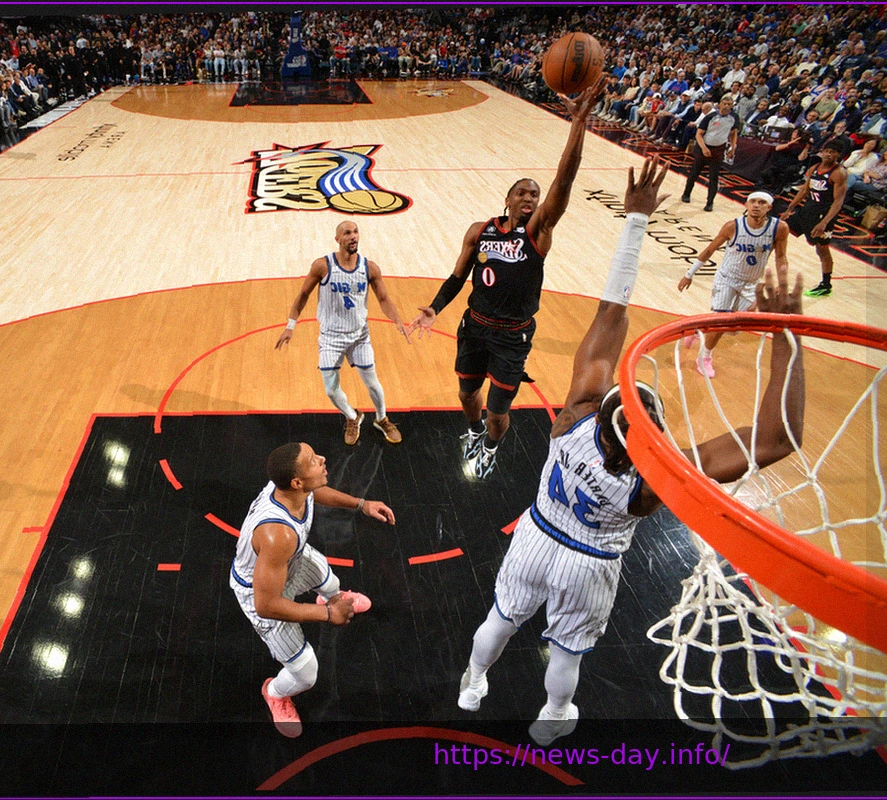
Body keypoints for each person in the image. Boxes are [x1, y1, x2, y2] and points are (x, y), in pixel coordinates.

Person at [456, 157, 805, 748]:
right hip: (592, 560)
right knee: (566, 653)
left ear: (606, 408)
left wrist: (637, 219)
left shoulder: (575, 415)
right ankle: (552, 717)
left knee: (500, 620)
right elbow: (778, 438)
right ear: (654, 432)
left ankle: (472, 685)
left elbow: (611, 311)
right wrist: (786, 333)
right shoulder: (660, 470)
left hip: (538, 533)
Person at [408, 77, 608, 479]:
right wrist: (434, 307)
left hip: (512, 337)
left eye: (535, 194)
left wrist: (578, 125)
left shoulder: (538, 232)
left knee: (499, 414)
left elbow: (564, 181)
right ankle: (473, 431)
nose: (530, 197)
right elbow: (457, 277)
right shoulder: (479, 230)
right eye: (522, 193)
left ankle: (491, 445)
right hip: (474, 327)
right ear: (508, 199)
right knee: (467, 395)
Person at [232, 442, 396, 737]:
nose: (322, 458)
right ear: (296, 482)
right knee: (306, 673)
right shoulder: (277, 534)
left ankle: (332, 598)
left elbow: (315, 492)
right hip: (260, 592)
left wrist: (362, 504)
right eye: (312, 461)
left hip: (289, 560)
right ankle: (275, 693)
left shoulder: (291, 488)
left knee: (331, 582)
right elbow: (266, 605)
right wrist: (328, 614)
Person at [276, 221, 410, 445]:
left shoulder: (370, 268)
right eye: (347, 233)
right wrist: (290, 325)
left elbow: (384, 299)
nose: (353, 236)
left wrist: (397, 320)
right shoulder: (322, 266)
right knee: (331, 390)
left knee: (372, 383)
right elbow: (303, 295)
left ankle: (381, 419)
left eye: (356, 231)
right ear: (337, 239)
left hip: (359, 336)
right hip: (331, 337)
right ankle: (352, 416)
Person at [677, 190, 790, 377]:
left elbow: (781, 256)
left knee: (736, 328)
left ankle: (699, 331)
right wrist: (689, 274)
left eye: (762, 202)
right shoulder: (733, 226)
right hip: (727, 279)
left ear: (769, 207)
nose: (756, 205)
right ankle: (704, 358)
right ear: (746, 205)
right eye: (753, 201)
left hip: (751, 282)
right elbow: (710, 249)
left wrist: (783, 281)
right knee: (721, 322)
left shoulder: (779, 228)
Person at [780, 137, 848, 298]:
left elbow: (838, 202)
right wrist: (789, 209)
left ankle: (826, 284)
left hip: (824, 214)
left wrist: (824, 222)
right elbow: (804, 190)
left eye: (833, 152)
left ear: (838, 155)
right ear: (822, 152)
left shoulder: (839, 173)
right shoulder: (814, 168)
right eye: (827, 151)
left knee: (822, 249)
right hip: (808, 210)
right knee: (779, 228)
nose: (828, 154)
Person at [681, 93, 739, 212]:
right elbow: (699, 134)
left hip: (718, 149)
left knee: (714, 177)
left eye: (729, 104)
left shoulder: (734, 118)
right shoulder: (710, 116)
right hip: (704, 146)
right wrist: (704, 148)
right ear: (720, 104)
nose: (726, 106)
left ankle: (710, 202)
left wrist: (733, 147)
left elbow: (733, 133)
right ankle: (686, 194)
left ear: (732, 106)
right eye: (724, 104)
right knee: (694, 173)